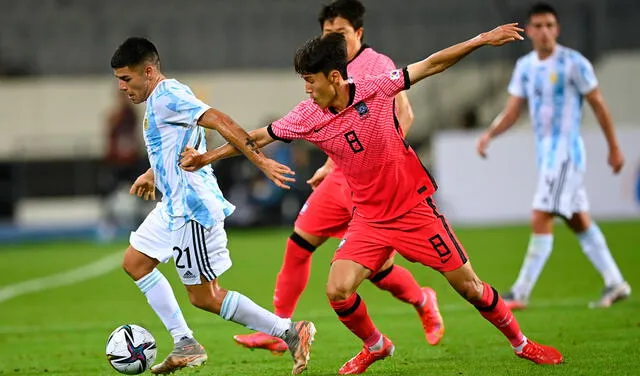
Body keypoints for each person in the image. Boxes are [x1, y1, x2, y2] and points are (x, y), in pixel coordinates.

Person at [181, 27, 564, 374]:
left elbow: (432, 64)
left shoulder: (376, 88)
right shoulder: (307, 114)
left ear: (334, 77)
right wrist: (204, 158)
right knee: (337, 290)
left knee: (470, 288)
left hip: (414, 210)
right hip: (368, 218)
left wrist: (481, 40)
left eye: (310, 80)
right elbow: (257, 137)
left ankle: (522, 344)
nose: (306, 89)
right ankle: (376, 346)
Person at [232, 0, 443, 355]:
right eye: (328, 33)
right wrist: (331, 164)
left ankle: (423, 300)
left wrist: (377, 161)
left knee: (378, 270)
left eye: (341, 33)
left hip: (374, 182)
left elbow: (404, 115)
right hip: (337, 177)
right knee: (298, 245)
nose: (334, 39)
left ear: (358, 33)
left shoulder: (378, 65)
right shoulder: (325, 68)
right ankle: (280, 329)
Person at [110, 37, 315, 375]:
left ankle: (290, 332)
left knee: (205, 296)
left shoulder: (169, 96)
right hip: (173, 205)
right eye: (118, 79)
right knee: (135, 263)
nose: (121, 87)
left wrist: (260, 161)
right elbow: (180, 143)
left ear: (148, 71)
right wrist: (153, 172)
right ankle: (185, 343)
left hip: (192, 209)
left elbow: (220, 120)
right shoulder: (163, 97)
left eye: (127, 79)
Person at [476, 2, 631, 310]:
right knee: (578, 220)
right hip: (546, 155)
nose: (544, 31)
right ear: (530, 30)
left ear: (557, 29)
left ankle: (520, 291)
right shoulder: (525, 67)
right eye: (538, 26)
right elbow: (512, 112)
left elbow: (599, 105)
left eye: (550, 25)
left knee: (541, 214)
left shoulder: (574, 63)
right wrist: (489, 134)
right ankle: (615, 282)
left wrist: (614, 147)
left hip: (566, 154)